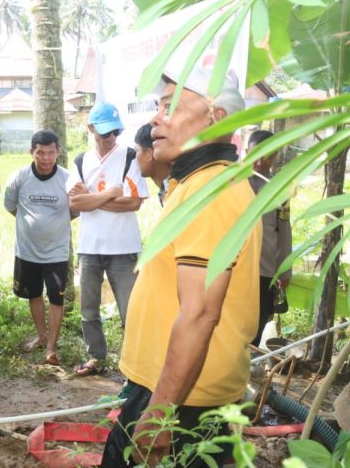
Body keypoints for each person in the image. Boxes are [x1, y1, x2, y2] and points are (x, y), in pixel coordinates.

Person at [101, 68, 261, 467]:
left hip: (181, 399)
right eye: (158, 105)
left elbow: (200, 314)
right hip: (174, 389)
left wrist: (159, 416)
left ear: (217, 118)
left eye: (171, 105)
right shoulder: (195, 182)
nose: (156, 116)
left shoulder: (209, 193)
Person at [67, 103, 148, 376]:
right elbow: (76, 202)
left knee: (131, 311)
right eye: (104, 133)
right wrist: (111, 193)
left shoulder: (129, 158)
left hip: (124, 247)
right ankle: (96, 358)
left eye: (115, 132)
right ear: (91, 129)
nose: (110, 137)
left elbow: (134, 202)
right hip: (89, 247)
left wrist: (93, 199)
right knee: (88, 308)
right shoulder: (80, 161)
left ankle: (134, 364)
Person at [4, 130, 75, 366]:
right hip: (27, 251)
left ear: (58, 152)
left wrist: (51, 227)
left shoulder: (68, 179)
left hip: (56, 252)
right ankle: (42, 337)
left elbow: (75, 210)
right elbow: (11, 206)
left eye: (51, 152)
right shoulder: (19, 177)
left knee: (56, 298)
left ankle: (52, 348)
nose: (46, 158)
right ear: (31, 152)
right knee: (33, 294)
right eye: (40, 152)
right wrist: (31, 225)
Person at [248, 129, 292, 346]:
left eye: (266, 155)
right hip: (236, 267)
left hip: (265, 269)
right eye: (254, 154)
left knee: (259, 320)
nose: (258, 161)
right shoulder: (232, 183)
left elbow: (284, 229)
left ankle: (246, 369)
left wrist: (285, 268)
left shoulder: (280, 189)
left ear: (274, 156)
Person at [134, 123, 171, 206]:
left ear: (149, 154)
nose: (135, 158)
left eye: (137, 150)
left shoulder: (174, 190)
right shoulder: (167, 188)